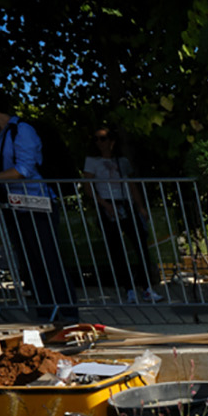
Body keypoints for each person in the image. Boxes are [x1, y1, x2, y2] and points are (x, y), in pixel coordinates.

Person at [0, 84, 78, 321]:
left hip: (37, 201)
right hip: (13, 204)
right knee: (30, 259)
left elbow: (24, 168)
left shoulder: (22, 130)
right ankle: (46, 312)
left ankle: (67, 313)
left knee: (48, 256)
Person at [82, 128, 162, 303]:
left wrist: (140, 206)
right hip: (107, 203)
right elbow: (87, 186)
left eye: (102, 139)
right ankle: (129, 289)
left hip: (126, 202)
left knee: (140, 243)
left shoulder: (122, 161)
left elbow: (131, 184)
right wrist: (104, 204)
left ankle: (146, 286)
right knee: (116, 249)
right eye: (96, 139)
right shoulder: (92, 161)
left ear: (112, 141)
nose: (99, 142)